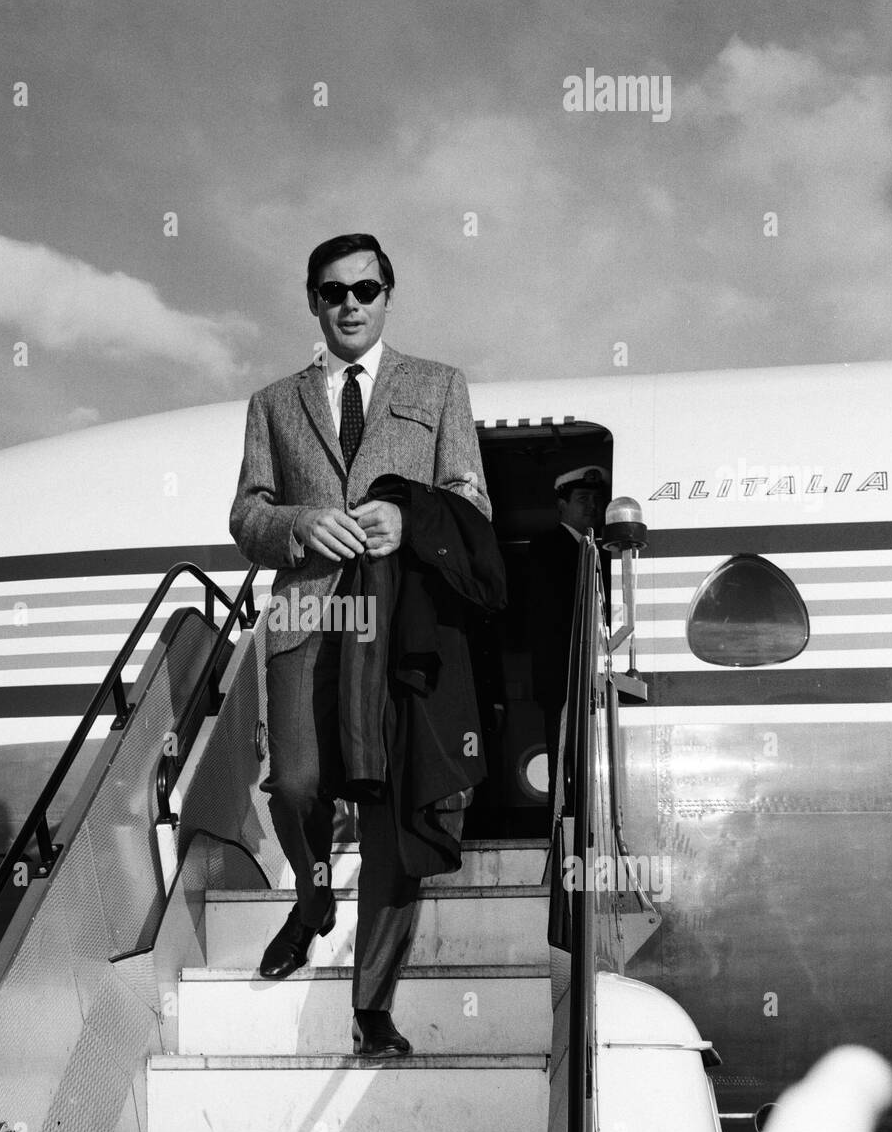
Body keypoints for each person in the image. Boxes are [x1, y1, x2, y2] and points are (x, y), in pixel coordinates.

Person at [229, 233, 490, 1055]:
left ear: (387, 295)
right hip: (311, 617)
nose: (351, 303)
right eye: (333, 290)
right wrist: (303, 523)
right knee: (297, 787)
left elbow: (468, 497)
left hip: (399, 624)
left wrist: (409, 519)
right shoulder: (273, 403)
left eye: (366, 289)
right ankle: (311, 900)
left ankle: (371, 1005)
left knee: (391, 815)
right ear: (313, 300)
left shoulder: (439, 387)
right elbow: (247, 516)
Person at [529, 466, 610, 818]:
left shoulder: (605, 552)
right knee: (565, 760)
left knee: (598, 761)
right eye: (582, 499)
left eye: (596, 499)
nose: (591, 506)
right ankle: (561, 831)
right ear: (562, 506)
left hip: (599, 675)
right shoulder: (546, 548)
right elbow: (549, 614)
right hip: (562, 675)